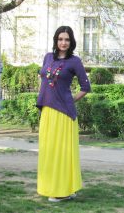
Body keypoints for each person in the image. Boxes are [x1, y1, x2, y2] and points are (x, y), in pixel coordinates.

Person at [36, 26, 91, 202]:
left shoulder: (74, 62)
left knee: (62, 153)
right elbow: (43, 80)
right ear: (56, 40)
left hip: (64, 114)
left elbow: (85, 87)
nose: (63, 42)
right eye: (60, 39)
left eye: (67, 39)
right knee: (48, 152)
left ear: (71, 42)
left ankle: (62, 191)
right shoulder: (47, 57)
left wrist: (69, 100)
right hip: (47, 111)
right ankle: (60, 187)